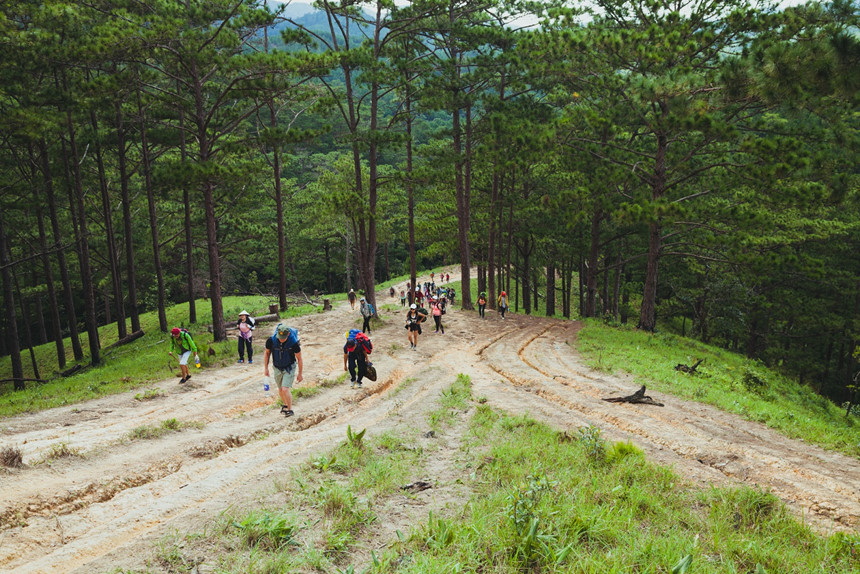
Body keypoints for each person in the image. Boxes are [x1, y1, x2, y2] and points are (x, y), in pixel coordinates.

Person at [264, 324, 303, 417]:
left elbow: (299, 359)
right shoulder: (271, 341)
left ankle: (290, 410)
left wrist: (300, 374)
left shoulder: (294, 343)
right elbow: (267, 353)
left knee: (285, 389)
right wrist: (266, 368)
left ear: (288, 334)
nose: (281, 339)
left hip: (289, 367)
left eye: (283, 338)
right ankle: (285, 405)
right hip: (277, 367)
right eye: (280, 337)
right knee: (280, 389)